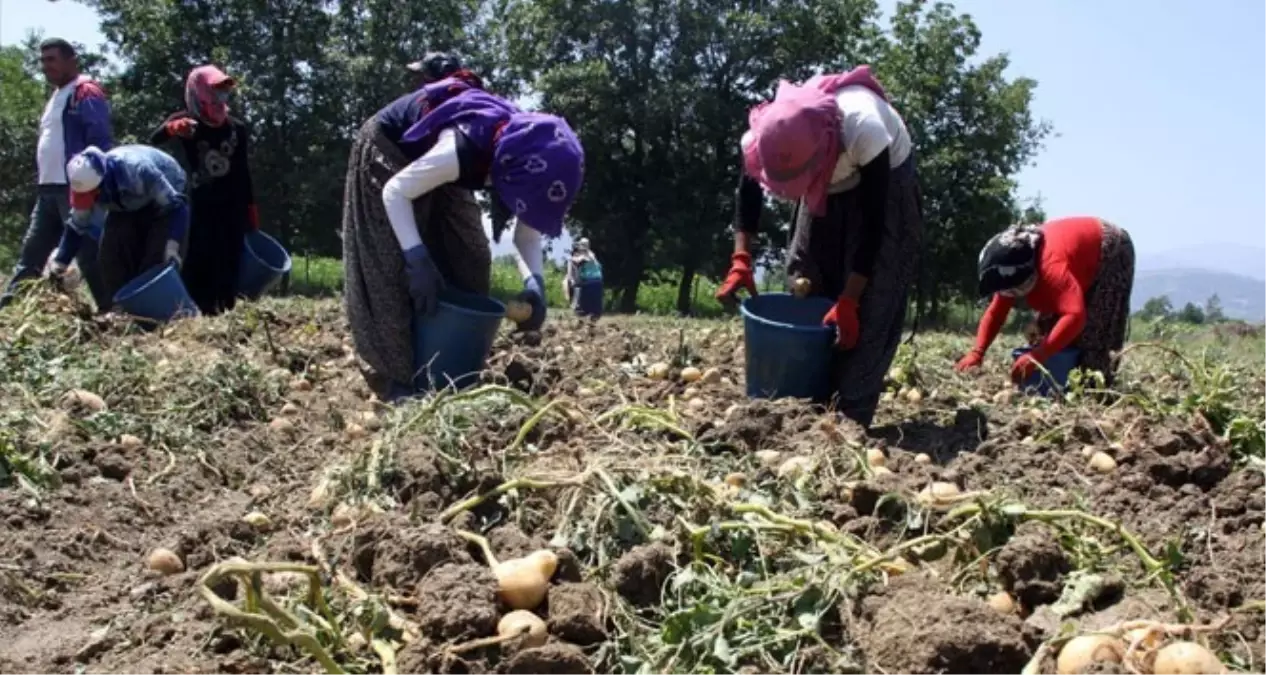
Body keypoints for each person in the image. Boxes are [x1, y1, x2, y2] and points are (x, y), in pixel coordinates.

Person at [342, 71, 584, 398]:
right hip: (391, 148)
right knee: (389, 265)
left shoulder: (531, 158)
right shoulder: (466, 147)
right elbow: (395, 192)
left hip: (446, 164)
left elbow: (526, 234)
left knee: (471, 254)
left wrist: (535, 285)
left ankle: (453, 367)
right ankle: (397, 382)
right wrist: (416, 257)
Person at [714, 66, 922, 429]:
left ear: (823, 150)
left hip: (885, 189)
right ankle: (798, 409)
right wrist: (741, 259)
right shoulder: (767, 136)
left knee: (874, 303)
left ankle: (849, 419)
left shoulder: (862, 126)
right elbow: (747, 191)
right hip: (829, 181)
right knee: (805, 282)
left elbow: (874, 224)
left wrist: (850, 300)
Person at [955, 217, 1136, 386]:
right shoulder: (1011, 266)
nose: (1012, 295)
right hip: (1075, 258)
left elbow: (1075, 316)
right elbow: (996, 312)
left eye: (1015, 290)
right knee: (1048, 332)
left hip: (1110, 249)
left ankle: (1093, 386)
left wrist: (1038, 355)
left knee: (1096, 331)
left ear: (1030, 274)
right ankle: (1059, 378)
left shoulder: (1051, 268)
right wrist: (977, 353)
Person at [1, 38, 112, 311]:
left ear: (71, 60)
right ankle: (7, 312)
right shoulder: (56, 95)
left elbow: (99, 141)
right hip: (47, 189)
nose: (45, 66)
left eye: (52, 59)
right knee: (32, 254)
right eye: (43, 60)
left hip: (74, 189)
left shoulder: (85, 92)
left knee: (88, 254)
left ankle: (113, 312)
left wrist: (91, 183)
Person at [149, 65, 258, 316]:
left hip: (232, 205)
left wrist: (251, 210)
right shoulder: (188, 124)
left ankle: (226, 309)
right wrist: (171, 129)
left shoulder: (236, 128)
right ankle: (196, 310)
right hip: (199, 205)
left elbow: (243, 171)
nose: (220, 101)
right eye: (214, 93)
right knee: (199, 257)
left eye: (224, 94)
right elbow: (153, 139)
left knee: (230, 256)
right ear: (199, 93)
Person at [49, 145, 190, 305]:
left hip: (165, 199)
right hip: (125, 204)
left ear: (101, 184)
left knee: (156, 261)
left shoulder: (139, 171)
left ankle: (161, 314)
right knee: (110, 259)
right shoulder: (86, 186)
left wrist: (172, 244)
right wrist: (60, 263)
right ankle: (123, 311)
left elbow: (176, 207)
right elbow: (76, 226)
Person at [563, 238, 603, 318]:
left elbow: (577, 261)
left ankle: (581, 312)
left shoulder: (586, 254)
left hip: (590, 282)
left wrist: (570, 259)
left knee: (585, 309)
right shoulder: (592, 254)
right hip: (598, 282)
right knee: (595, 309)